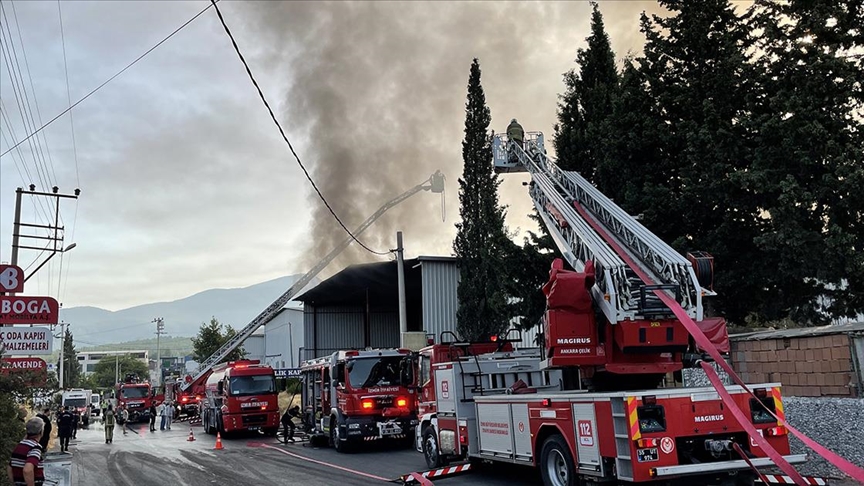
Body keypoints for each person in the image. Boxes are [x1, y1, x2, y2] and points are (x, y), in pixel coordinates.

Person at [7, 417, 46, 486]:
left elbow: (10, 467)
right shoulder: (35, 447)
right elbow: (27, 470)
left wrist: (14, 483)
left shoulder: (20, 445)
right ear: (41, 432)